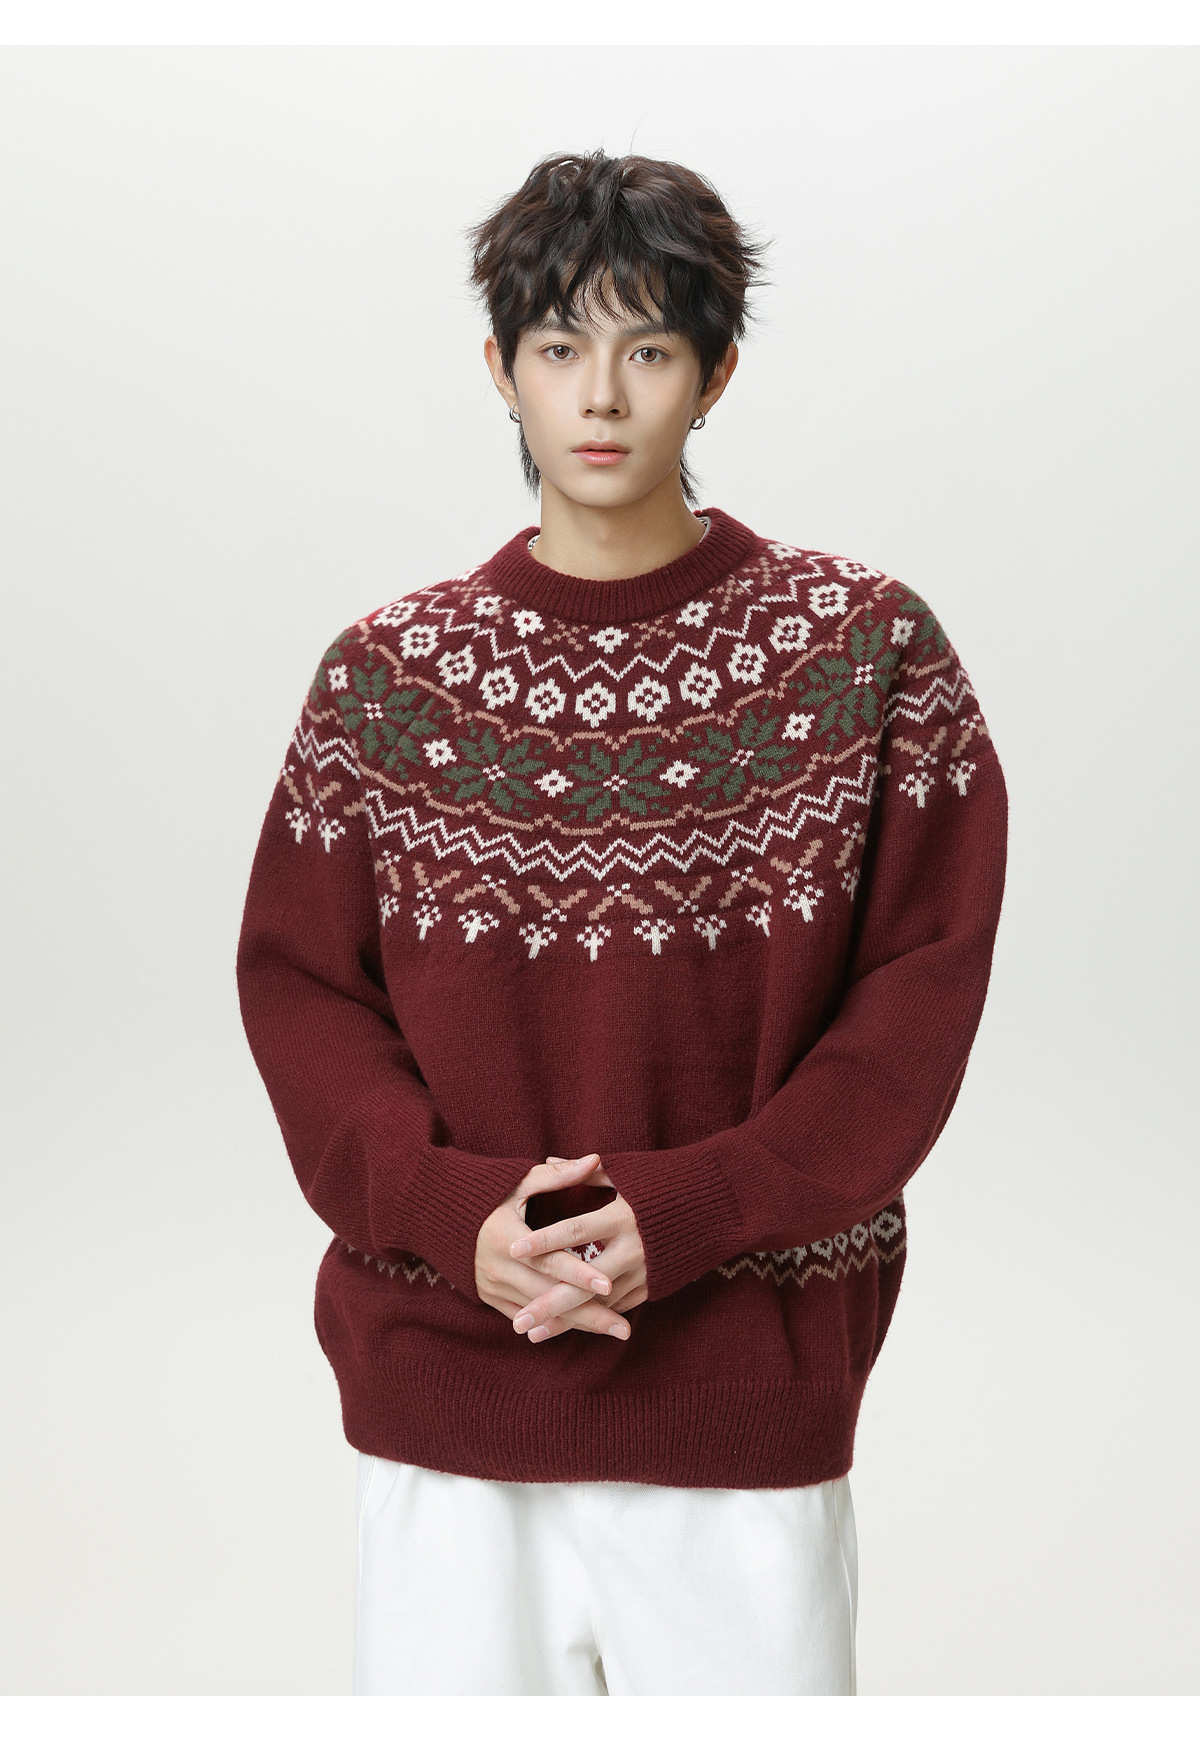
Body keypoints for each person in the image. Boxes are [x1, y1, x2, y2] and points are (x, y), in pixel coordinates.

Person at [236, 149, 1008, 1696]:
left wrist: (705, 1205)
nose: (600, 395)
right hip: (447, 1412)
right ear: (500, 370)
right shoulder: (388, 680)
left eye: (649, 350)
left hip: (746, 1405)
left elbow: (912, 1006)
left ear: (715, 375)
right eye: (559, 348)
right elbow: (307, 994)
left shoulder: (865, 657)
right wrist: (452, 1213)